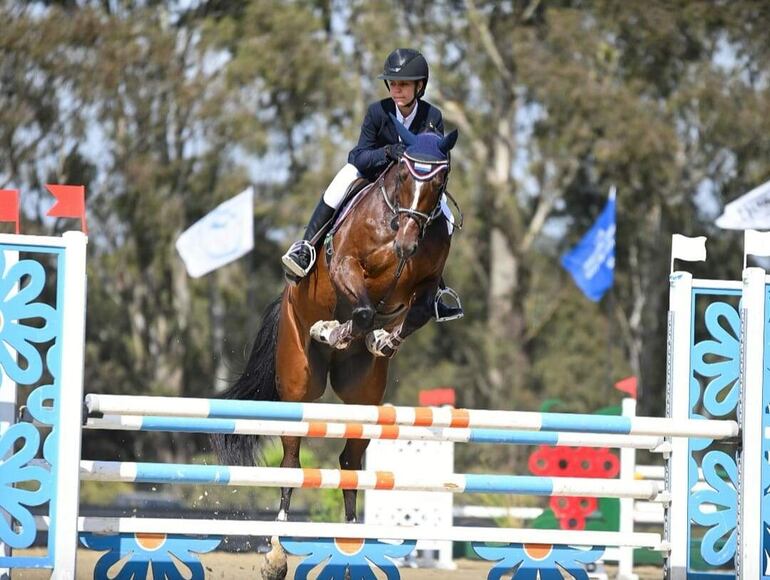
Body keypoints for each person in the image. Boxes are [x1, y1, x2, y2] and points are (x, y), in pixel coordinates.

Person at [281, 48, 463, 322]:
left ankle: (436, 288)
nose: (396, 89)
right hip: (372, 174)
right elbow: (358, 155)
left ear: (419, 86)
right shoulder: (378, 112)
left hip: (411, 186)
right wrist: (388, 152)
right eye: (392, 83)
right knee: (341, 180)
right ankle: (306, 247)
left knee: (447, 216)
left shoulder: (432, 116)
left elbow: (437, 158)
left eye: (403, 84)